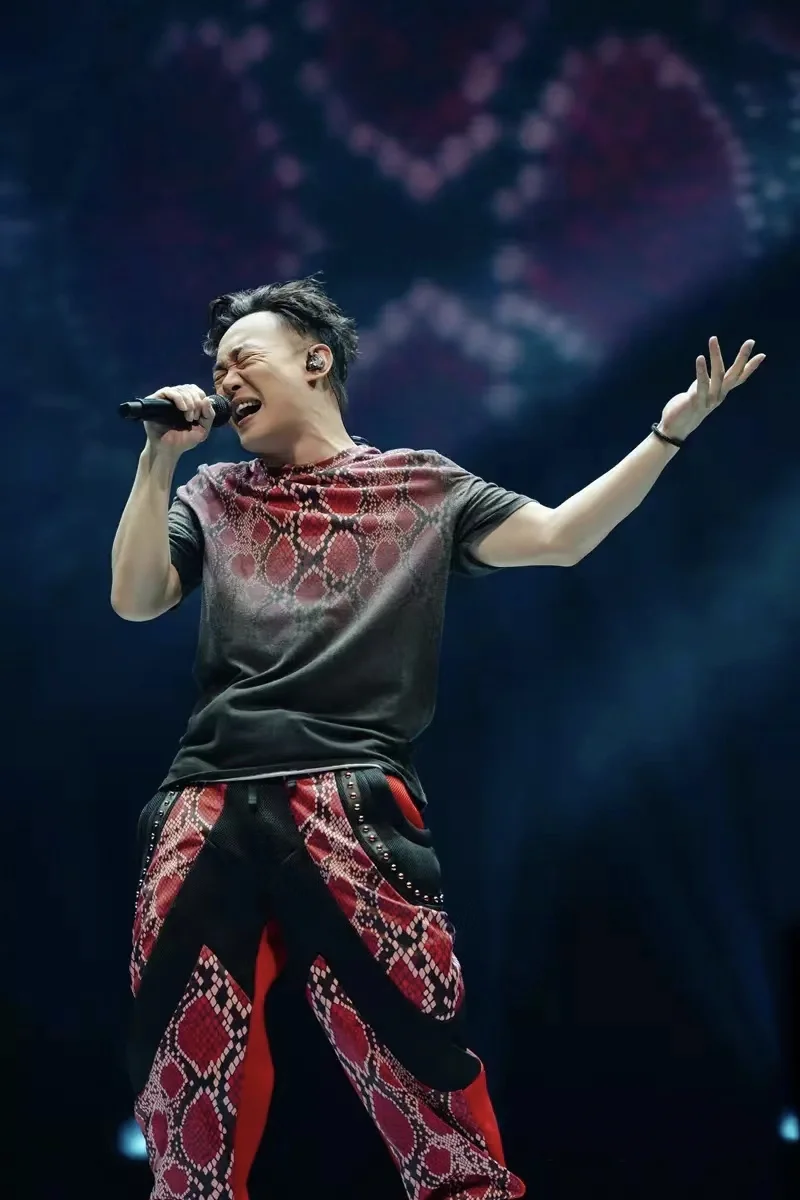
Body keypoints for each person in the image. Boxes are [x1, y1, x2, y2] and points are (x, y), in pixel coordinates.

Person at [111, 276, 764, 1200]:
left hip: (347, 796)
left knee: (417, 1062)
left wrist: (667, 435)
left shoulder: (420, 486)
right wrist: (156, 460)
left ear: (315, 359)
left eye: (241, 358)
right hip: (205, 799)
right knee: (180, 1081)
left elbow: (560, 537)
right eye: (214, 370)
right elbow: (137, 598)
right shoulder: (213, 491)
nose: (223, 381)